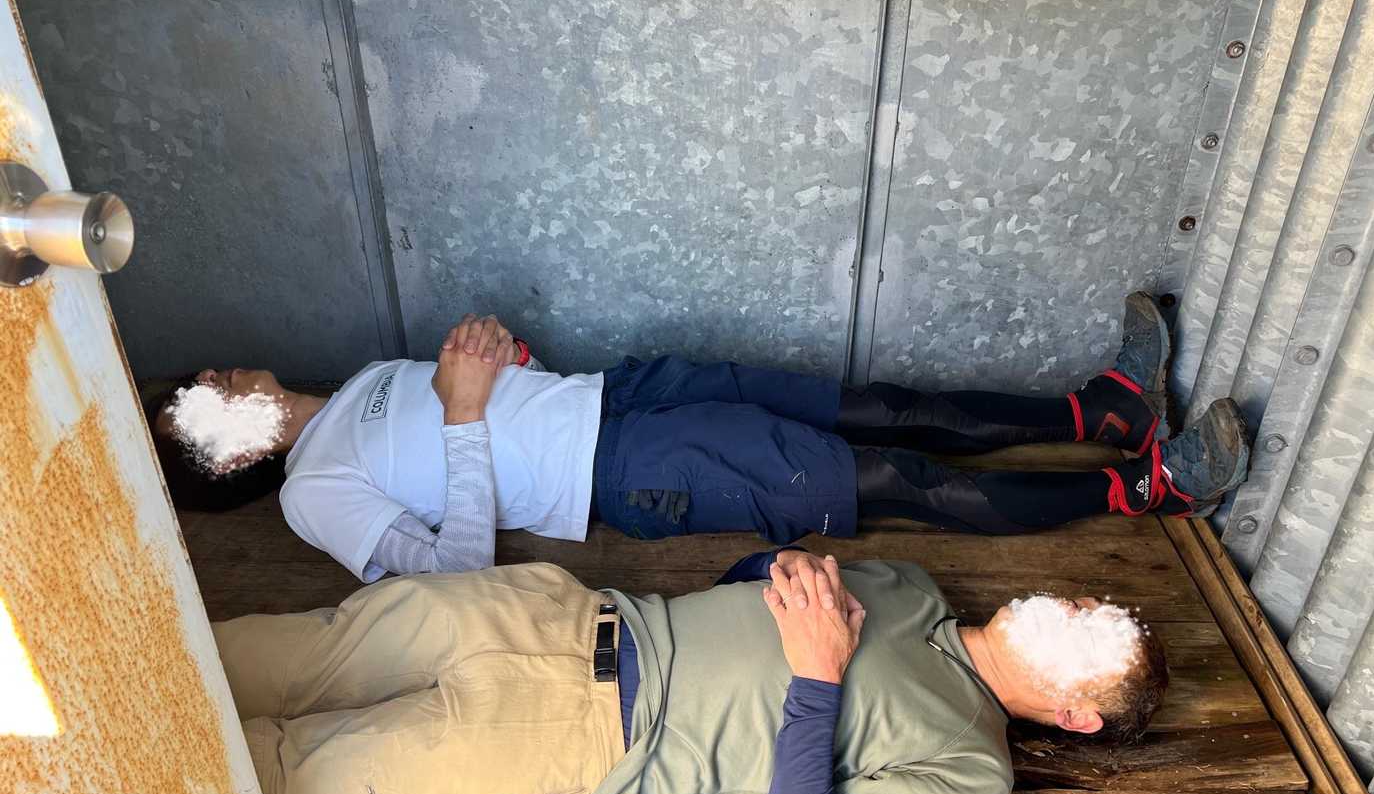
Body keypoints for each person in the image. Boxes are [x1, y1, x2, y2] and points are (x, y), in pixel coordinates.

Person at [213, 546, 1168, 794]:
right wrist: (780, 566)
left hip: (582, 739)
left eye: (1091, 636)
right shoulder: (914, 587)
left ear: (1077, 715)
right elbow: (749, 587)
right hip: (562, 616)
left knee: (256, 793)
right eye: (1086, 603)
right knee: (237, 657)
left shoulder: (972, 769)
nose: (1069, 608)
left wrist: (819, 676)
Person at [147, 292, 1250, 582]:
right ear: (227, 454)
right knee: (892, 477)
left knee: (875, 404)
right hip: (632, 471)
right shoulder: (312, 493)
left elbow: (480, 411)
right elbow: (452, 569)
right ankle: (1145, 490)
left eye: (199, 378)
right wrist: (471, 408)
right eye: (200, 400)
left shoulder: (355, 388)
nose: (214, 377)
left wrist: (504, 363)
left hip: (626, 396)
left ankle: (1103, 411)